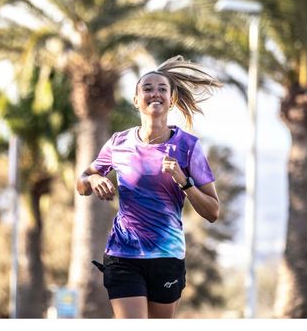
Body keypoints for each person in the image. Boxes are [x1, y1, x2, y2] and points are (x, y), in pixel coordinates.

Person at [76, 55, 223, 319]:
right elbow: (81, 183)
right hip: (124, 255)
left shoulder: (188, 147)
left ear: (171, 99)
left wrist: (183, 180)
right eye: (147, 88)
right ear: (136, 100)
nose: (155, 93)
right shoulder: (118, 142)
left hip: (166, 256)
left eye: (162, 89)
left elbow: (212, 212)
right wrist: (95, 179)